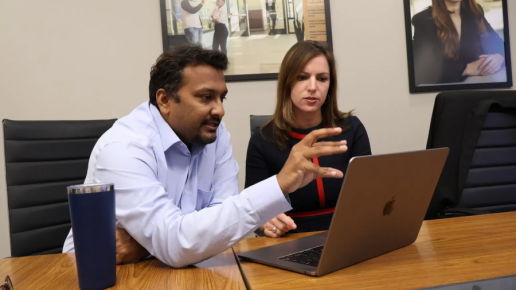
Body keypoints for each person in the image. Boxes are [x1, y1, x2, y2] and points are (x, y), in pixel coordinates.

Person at [62, 44, 348, 267]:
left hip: (176, 264)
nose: (220, 110)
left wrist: (144, 244)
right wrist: (280, 184)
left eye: (221, 98)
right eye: (205, 97)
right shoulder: (124, 148)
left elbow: (221, 225)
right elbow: (181, 242)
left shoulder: (214, 134)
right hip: (96, 271)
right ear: (164, 100)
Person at [245, 41, 372, 238]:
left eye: (322, 78)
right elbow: (253, 212)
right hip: (290, 238)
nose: (313, 87)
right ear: (288, 82)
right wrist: (266, 224)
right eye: (302, 77)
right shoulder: (262, 140)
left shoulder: (352, 129)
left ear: (330, 85)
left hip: (347, 235)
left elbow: (368, 194)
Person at [412, 0, 506, 85]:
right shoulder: (422, 20)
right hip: (445, 94)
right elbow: (422, 71)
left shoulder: (475, 12)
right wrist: (466, 68)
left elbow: (502, 46)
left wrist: (499, 57)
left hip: (479, 88)